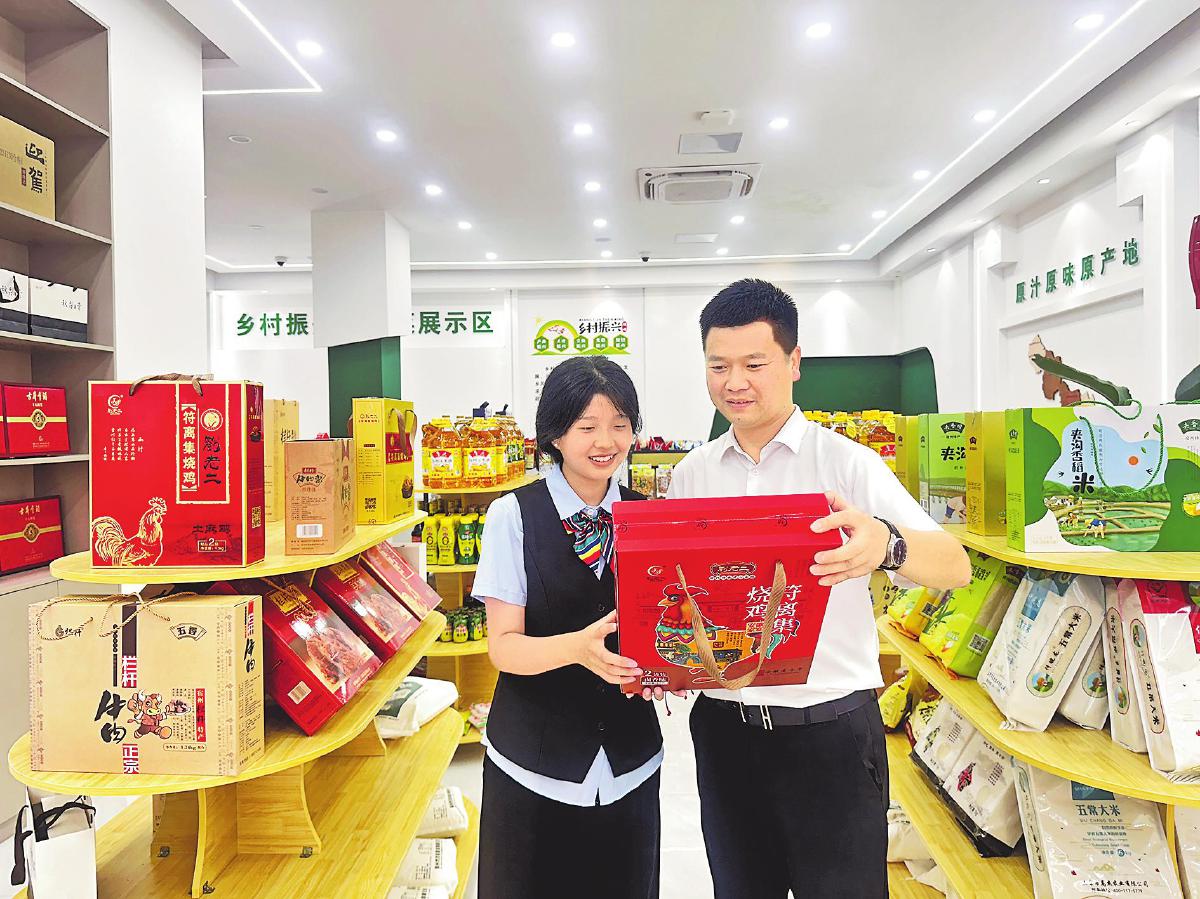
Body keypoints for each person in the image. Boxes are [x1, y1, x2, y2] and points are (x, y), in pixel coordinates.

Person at [668, 279, 972, 898]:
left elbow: (955, 565)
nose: (735, 382)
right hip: (725, 730)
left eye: (755, 364)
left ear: (794, 362)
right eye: (719, 366)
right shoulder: (692, 475)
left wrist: (885, 544)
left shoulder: (848, 464)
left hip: (830, 732)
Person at [474, 356, 664, 899]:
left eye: (620, 424)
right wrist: (577, 649)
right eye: (587, 427)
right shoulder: (513, 516)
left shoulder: (648, 515)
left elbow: (663, 626)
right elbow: (503, 647)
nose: (606, 441)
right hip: (533, 768)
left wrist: (671, 667)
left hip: (630, 764)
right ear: (555, 434)